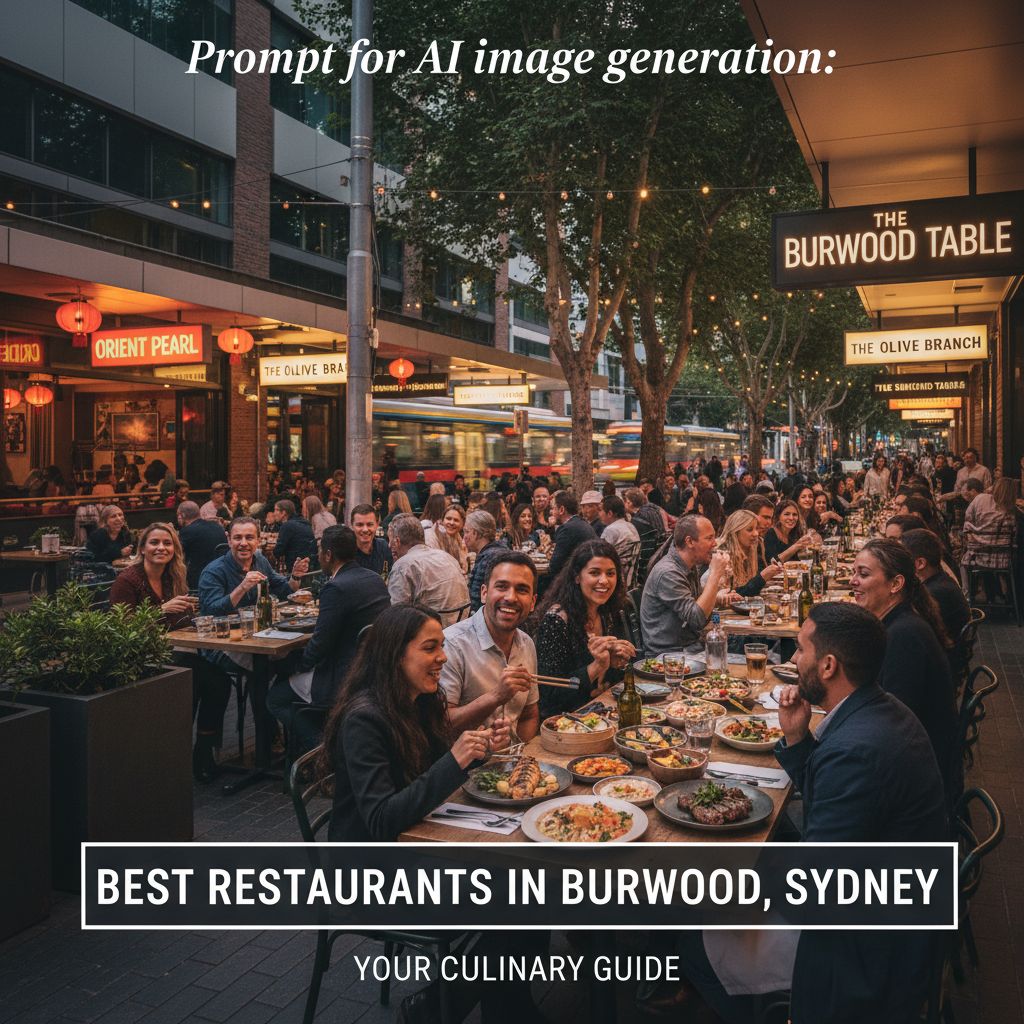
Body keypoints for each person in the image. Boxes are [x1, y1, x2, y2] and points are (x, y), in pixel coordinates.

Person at [679, 602, 946, 1024]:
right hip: (891, 901)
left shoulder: (854, 749)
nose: (791, 660)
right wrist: (798, 737)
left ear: (827, 665)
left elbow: (812, 886)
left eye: (800, 650)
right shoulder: (880, 709)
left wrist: (728, 884)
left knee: (689, 930)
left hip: (866, 946)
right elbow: (834, 808)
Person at [319, 604, 509, 843]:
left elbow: (434, 767)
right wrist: (455, 759)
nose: (443, 657)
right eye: (430, 648)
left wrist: (480, 750)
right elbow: (381, 820)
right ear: (395, 656)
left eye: (442, 645)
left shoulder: (419, 699)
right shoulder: (363, 720)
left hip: (418, 832)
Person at [109, 522, 232, 783]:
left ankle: (202, 749)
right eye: (154, 543)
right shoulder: (127, 580)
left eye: (167, 543)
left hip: (173, 651)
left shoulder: (173, 576)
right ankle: (174, 756)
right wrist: (161, 610)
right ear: (142, 548)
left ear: (175, 549)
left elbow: (179, 624)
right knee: (192, 682)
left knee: (220, 681)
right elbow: (122, 630)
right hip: (140, 655)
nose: (161, 548)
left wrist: (195, 617)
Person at [266, 526, 390, 751]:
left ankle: (323, 752)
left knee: (274, 698)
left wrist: (298, 666)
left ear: (328, 554)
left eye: (320, 551)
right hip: (373, 671)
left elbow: (320, 644)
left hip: (342, 679)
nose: (318, 557)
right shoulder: (375, 579)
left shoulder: (336, 587)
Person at [850, 539, 957, 794]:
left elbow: (893, 724)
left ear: (896, 584)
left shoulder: (904, 635)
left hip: (915, 785)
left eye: (863, 574)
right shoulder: (901, 621)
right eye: (854, 573)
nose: (853, 581)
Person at [440, 551, 542, 746]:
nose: (511, 597)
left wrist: (518, 753)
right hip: (461, 770)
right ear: (484, 593)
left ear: (533, 602)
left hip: (512, 767)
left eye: (522, 590)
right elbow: (440, 725)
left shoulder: (526, 643)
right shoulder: (453, 644)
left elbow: (529, 716)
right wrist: (495, 697)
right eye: (502, 587)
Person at [533, 540, 635, 719]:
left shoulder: (606, 612)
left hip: (601, 712)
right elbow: (551, 696)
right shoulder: (556, 621)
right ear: (577, 577)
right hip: (566, 722)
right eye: (595, 573)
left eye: (610, 573)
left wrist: (615, 663)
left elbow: (610, 682)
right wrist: (596, 667)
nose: (604, 581)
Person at [640, 515, 730, 655]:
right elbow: (698, 619)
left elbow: (702, 612)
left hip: (689, 648)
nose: (715, 544)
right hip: (668, 656)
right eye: (709, 538)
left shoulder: (690, 566)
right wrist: (715, 574)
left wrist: (718, 598)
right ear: (690, 541)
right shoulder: (668, 573)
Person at [387, 513, 470, 625]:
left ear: (397, 542)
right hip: (460, 629)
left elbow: (397, 616)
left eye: (390, 540)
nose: (389, 545)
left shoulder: (404, 565)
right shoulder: (446, 556)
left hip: (428, 633)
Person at [900, 528, 971, 646]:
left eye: (901, 557)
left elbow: (905, 627)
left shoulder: (935, 593)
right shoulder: (940, 579)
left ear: (920, 563)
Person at [960, 476, 1018, 598]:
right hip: (1005, 560)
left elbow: (968, 519)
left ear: (995, 488)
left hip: (979, 556)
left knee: (965, 561)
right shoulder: (1013, 511)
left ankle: (968, 596)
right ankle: (1008, 599)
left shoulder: (980, 499)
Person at [710, 510, 782, 597]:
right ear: (735, 531)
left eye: (757, 529)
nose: (756, 534)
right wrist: (762, 577)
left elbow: (752, 587)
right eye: (749, 529)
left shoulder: (753, 548)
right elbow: (729, 596)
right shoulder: (721, 555)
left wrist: (771, 571)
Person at [541, 490, 597, 592]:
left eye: (553, 508)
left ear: (561, 510)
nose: (551, 512)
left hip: (576, 586)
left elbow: (554, 566)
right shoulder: (580, 523)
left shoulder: (567, 529)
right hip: (587, 577)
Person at [176, 500, 227, 590]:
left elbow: (176, 555)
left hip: (198, 583)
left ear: (181, 516)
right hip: (221, 578)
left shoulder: (187, 532)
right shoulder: (217, 526)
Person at [464, 510, 507, 613]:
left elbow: (476, 601)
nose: (464, 537)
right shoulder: (500, 551)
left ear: (476, 533)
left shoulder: (488, 559)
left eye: (466, 532)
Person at [597, 494, 641, 585]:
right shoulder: (631, 526)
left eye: (600, 510)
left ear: (609, 513)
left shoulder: (611, 530)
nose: (599, 514)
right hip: (631, 581)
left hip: (614, 581)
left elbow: (599, 557)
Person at [763, 499, 813, 563]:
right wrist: (797, 546)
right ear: (778, 516)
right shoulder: (771, 533)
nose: (791, 518)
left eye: (794, 514)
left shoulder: (795, 532)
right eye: (787, 514)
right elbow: (773, 562)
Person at [273, 499, 315, 574]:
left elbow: (278, 551)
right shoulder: (305, 522)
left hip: (295, 565)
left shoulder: (287, 526)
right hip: (309, 563)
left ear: (283, 513)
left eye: (276, 510)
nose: (274, 513)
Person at [350, 502, 392, 576]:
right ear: (351, 525)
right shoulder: (345, 551)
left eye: (369, 524)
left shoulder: (383, 547)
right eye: (360, 525)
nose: (365, 529)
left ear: (377, 525)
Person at [741, 494, 775, 571]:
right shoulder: (736, 544)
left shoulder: (759, 541)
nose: (769, 523)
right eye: (766, 517)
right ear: (750, 515)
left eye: (771, 518)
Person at [433, 502, 469, 573]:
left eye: (456, 520)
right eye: (448, 519)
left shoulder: (463, 539)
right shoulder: (434, 538)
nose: (451, 523)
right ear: (443, 520)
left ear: (462, 524)